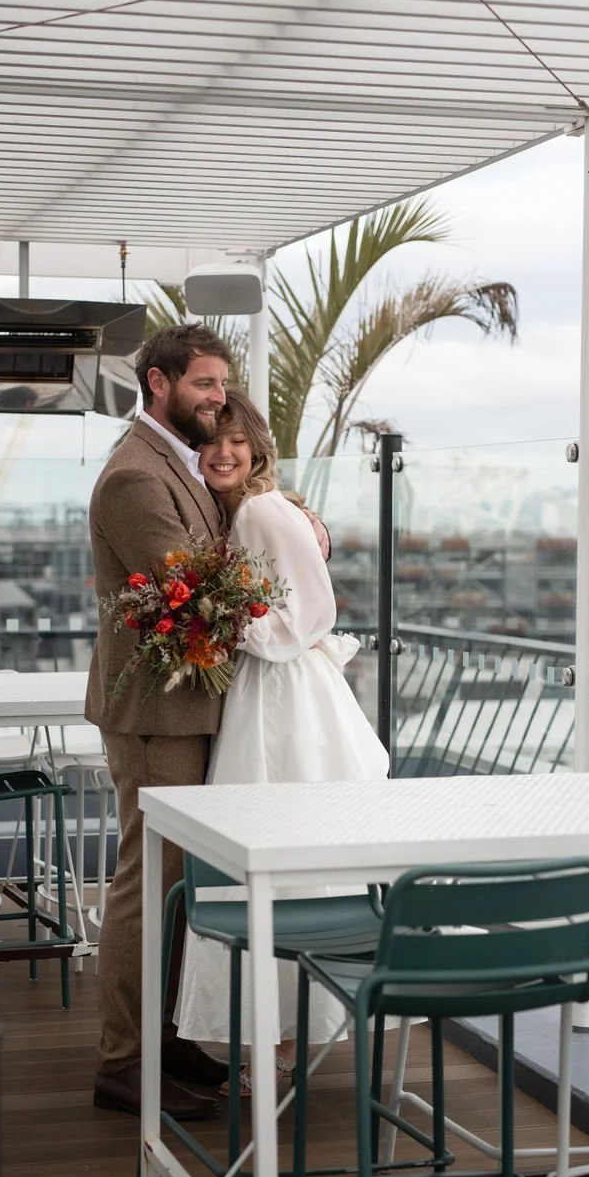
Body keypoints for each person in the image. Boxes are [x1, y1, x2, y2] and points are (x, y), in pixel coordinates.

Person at [87, 329, 332, 1120]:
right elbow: (194, 588)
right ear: (159, 382)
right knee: (149, 884)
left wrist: (293, 523)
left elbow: (228, 555)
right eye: (204, 383)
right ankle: (125, 1061)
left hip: (194, 704)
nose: (218, 396)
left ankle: (167, 1039)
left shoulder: (179, 463)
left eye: (223, 384)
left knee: (181, 886)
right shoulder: (136, 475)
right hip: (159, 713)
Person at [173, 388, 391, 1077]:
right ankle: (285, 1035)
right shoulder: (249, 509)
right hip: (270, 685)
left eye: (237, 442)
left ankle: (277, 1038)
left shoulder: (261, 510)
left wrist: (223, 624)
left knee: (267, 845)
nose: (223, 453)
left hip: (280, 690)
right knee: (279, 855)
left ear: (257, 449)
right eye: (211, 442)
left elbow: (312, 612)